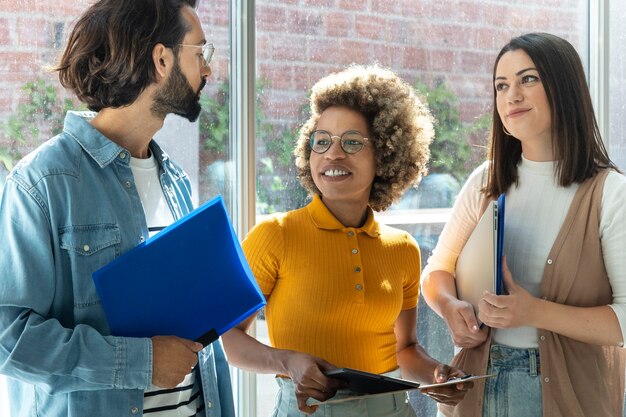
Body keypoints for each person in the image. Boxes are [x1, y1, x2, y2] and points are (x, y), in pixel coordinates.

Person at [0, 1, 235, 416]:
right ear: (161, 59)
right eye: (200, 53)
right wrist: (142, 363)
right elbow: (8, 338)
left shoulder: (176, 180)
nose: (208, 70)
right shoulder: (42, 183)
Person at [221, 64, 473, 417]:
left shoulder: (402, 249)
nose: (332, 154)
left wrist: (437, 374)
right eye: (321, 141)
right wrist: (287, 361)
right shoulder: (274, 235)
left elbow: (406, 348)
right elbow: (230, 339)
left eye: (351, 142)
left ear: (385, 155)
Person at [420, 32, 626, 417]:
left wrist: (534, 313)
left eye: (527, 79)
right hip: (474, 386)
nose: (511, 95)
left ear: (564, 88)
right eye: (501, 85)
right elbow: (436, 271)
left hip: (565, 394)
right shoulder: (485, 181)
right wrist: (449, 308)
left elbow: (624, 320)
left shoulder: (611, 194)